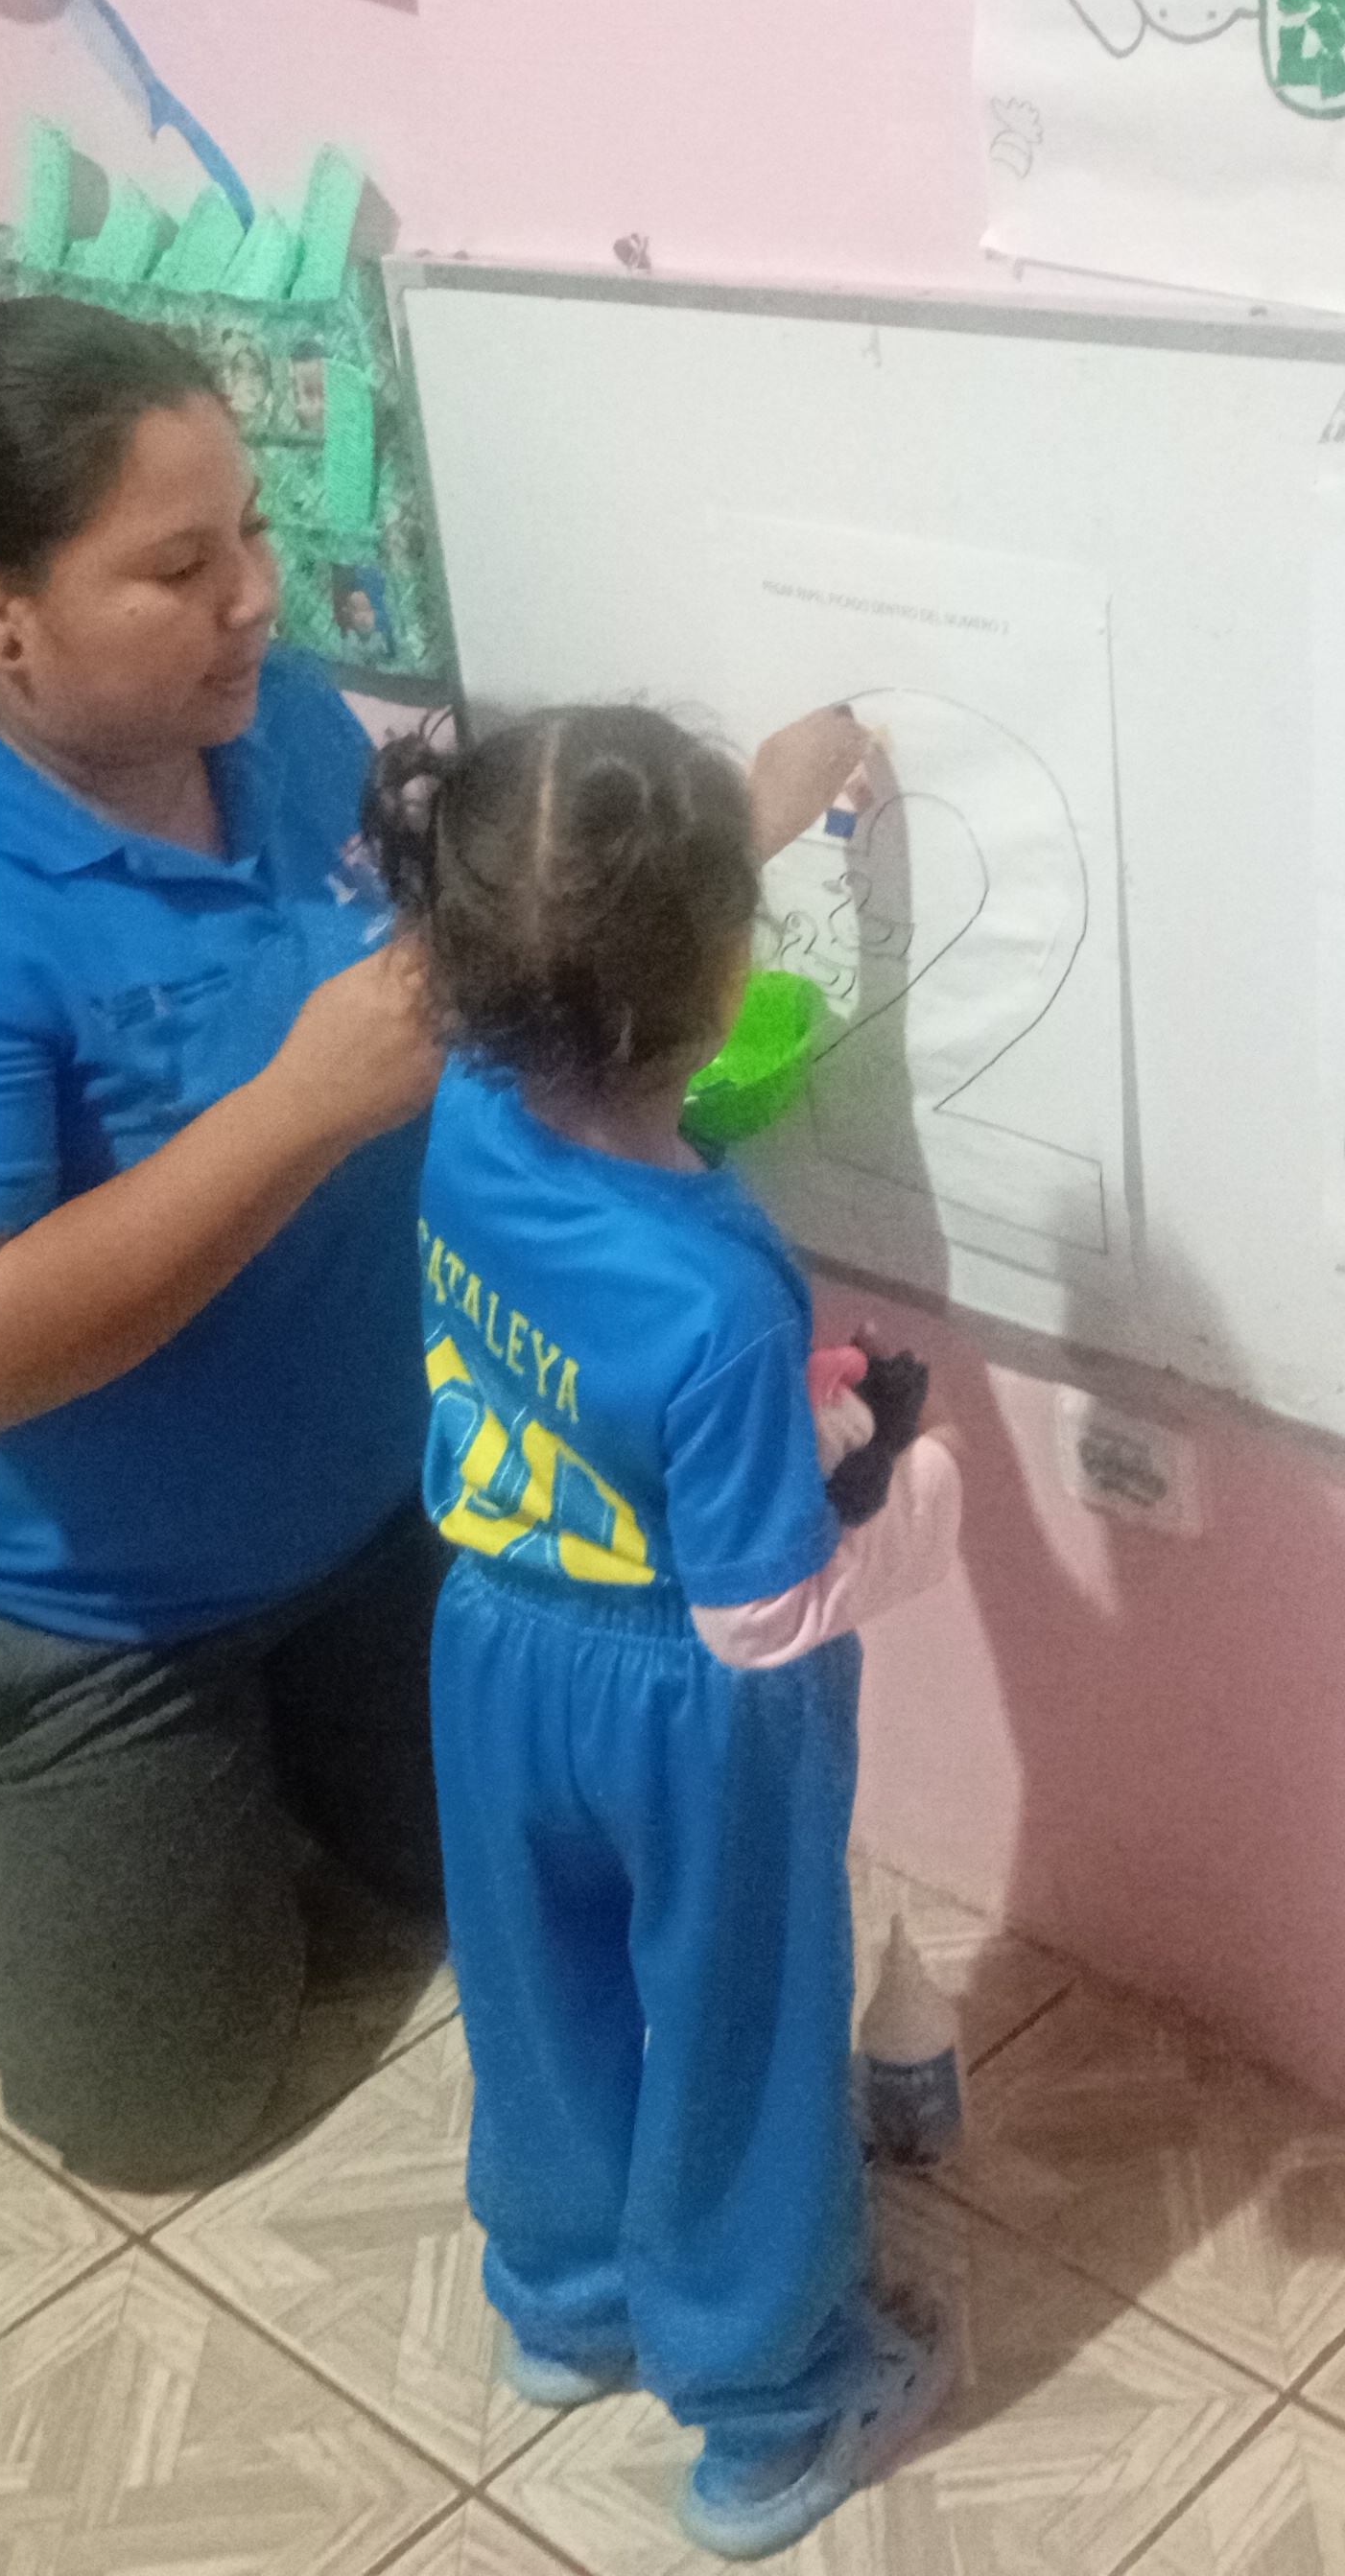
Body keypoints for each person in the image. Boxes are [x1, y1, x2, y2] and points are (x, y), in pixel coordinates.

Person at [0, 298, 864, 2190]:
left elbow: (500, 929)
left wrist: (729, 820)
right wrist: (302, 1102)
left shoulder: (282, 724)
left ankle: (261, 1773)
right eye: (178, 568)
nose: (253, 596)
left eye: (249, 529)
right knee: (161, 2115)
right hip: (62, 1607)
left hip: (376, 1517)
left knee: (545, 1870)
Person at [363, 704, 966, 2561]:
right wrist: (915, 1507)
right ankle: (774, 2406)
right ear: (722, 980)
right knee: (743, 2025)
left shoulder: (464, 1118)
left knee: (536, 1978)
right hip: (692, 1710)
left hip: (493, 1643)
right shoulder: (716, 1291)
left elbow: (584, 945)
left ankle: (564, 2302)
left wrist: (761, 804)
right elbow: (765, 1613)